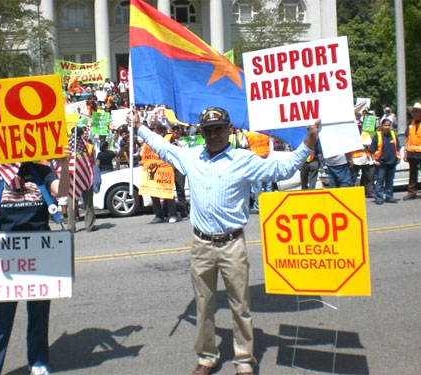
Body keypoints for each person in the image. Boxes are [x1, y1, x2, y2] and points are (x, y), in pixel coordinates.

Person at [131, 107, 319, 375]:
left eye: (219, 129)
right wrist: (139, 127)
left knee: (239, 306)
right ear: (202, 133)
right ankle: (207, 356)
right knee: (204, 304)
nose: (214, 135)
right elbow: (164, 148)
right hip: (201, 246)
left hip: (232, 245)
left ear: (229, 130)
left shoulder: (243, 159)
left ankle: (244, 360)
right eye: (209, 130)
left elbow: (282, 169)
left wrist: (308, 142)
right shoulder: (191, 157)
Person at [0, 147, 71, 375]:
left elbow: (61, 191)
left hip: (41, 254)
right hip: (6, 257)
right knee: (1, 319)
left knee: (39, 314)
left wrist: (65, 165)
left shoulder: (39, 170)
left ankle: (38, 362)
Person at [369, 118, 400, 205]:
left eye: (389, 125)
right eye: (385, 125)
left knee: (390, 181)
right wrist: (374, 160)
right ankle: (379, 198)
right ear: (382, 126)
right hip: (381, 163)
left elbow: (397, 147)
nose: (387, 127)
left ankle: (389, 197)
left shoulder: (393, 134)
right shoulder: (377, 135)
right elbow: (372, 150)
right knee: (380, 180)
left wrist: (398, 157)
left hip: (392, 162)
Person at [245, 131, 273, 214]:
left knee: (258, 186)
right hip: (267, 159)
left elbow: (244, 146)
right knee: (268, 185)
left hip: (255, 161)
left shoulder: (248, 134)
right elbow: (271, 148)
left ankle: (258, 207)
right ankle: (270, 206)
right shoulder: (266, 134)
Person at [402, 102, 421, 200]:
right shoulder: (410, 123)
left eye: (418, 111)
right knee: (412, 174)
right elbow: (406, 137)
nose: (415, 113)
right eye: (414, 111)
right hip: (412, 153)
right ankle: (412, 193)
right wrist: (405, 151)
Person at [350, 122, 375, 198]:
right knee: (352, 178)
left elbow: (368, 144)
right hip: (354, 160)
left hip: (365, 159)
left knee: (367, 177)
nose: (358, 127)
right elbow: (351, 145)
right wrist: (362, 145)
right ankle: (351, 193)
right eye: (357, 126)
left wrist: (360, 145)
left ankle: (369, 192)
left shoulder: (365, 134)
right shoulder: (351, 134)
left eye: (360, 126)